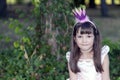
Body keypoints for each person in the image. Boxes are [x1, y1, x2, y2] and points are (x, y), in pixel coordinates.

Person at [66, 7, 110, 80]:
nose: (84, 40)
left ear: (95, 37)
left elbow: (106, 78)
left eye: (88, 36)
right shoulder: (72, 57)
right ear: (75, 39)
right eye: (80, 36)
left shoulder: (102, 56)